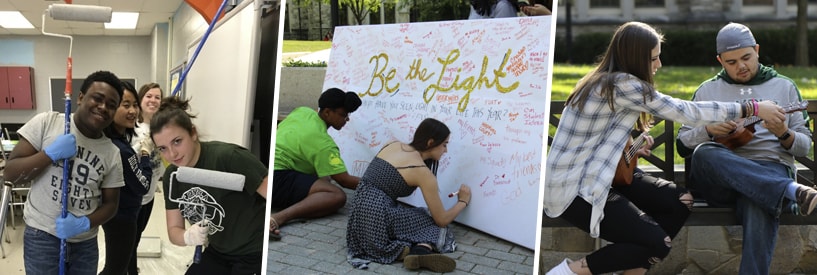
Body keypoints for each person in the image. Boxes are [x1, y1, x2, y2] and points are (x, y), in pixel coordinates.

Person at [543, 22, 785, 275]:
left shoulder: (605, 81)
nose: (658, 65)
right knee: (658, 243)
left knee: (680, 201)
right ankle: (568, 271)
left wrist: (630, 144)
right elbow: (686, 111)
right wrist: (752, 108)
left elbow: (596, 137)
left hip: (600, 175)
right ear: (635, 58)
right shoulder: (620, 84)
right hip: (574, 189)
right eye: (654, 58)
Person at [676, 22, 816, 275]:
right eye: (731, 62)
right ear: (720, 60)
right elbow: (683, 145)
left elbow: (804, 147)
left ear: (757, 50)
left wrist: (782, 133)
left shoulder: (783, 86)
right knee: (704, 152)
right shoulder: (708, 90)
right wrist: (708, 131)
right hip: (720, 179)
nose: (740, 66)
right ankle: (793, 191)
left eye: (746, 57)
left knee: (757, 198)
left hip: (769, 169)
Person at [5, 71, 125, 274]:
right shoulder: (48, 123)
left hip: (84, 243)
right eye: (97, 98)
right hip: (41, 237)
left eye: (112, 105)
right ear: (80, 98)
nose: (103, 107)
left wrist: (84, 223)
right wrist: (49, 154)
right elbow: (10, 173)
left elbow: (111, 204)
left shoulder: (112, 152)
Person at [149, 96, 268, 274]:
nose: (172, 154)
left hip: (254, 251)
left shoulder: (229, 157)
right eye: (163, 148)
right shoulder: (173, 177)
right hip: (218, 252)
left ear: (193, 133)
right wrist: (187, 237)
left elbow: (272, 193)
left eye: (177, 141)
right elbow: (174, 230)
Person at [346, 118, 470, 273]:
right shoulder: (422, 172)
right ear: (431, 142)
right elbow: (442, 220)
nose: (445, 150)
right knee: (432, 222)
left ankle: (407, 251)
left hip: (357, 212)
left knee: (415, 216)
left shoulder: (392, 144)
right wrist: (462, 202)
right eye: (444, 145)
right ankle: (420, 250)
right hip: (380, 215)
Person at [271, 87, 362, 240]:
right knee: (336, 195)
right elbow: (344, 180)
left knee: (325, 178)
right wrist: (378, 185)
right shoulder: (323, 144)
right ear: (327, 112)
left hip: (265, 168)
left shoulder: (302, 111)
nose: (347, 119)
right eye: (343, 115)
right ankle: (278, 218)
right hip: (278, 178)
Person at [98, 81, 152, 275]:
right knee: (115, 269)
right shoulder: (121, 151)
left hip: (115, 213)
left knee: (123, 262)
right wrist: (145, 155)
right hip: (122, 216)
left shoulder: (113, 140)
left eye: (135, 105)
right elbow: (142, 185)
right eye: (125, 105)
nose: (133, 111)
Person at [128, 82, 165, 274]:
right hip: (132, 197)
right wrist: (140, 148)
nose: (153, 100)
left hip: (149, 195)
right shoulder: (132, 128)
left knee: (137, 237)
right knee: (129, 242)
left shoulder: (160, 128)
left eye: (157, 97)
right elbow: (124, 159)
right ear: (140, 100)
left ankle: (130, 268)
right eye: (149, 96)